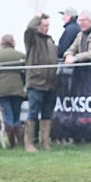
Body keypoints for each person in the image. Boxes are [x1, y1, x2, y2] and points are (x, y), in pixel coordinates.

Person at [23, 13, 58, 152]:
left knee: (47, 114)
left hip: (51, 83)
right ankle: (29, 143)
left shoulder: (50, 40)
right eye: (44, 25)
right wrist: (36, 17)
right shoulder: (31, 39)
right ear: (38, 26)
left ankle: (45, 142)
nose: (46, 28)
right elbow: (28, 29)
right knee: (32, 113)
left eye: (48, 25)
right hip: (36, 83)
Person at [0, 34, 25, 147]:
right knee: (17, 116)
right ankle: (20, 142)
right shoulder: (20, 55)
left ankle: (11, 143)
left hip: (2, 89)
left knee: (8, 116)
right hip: (17, 88)